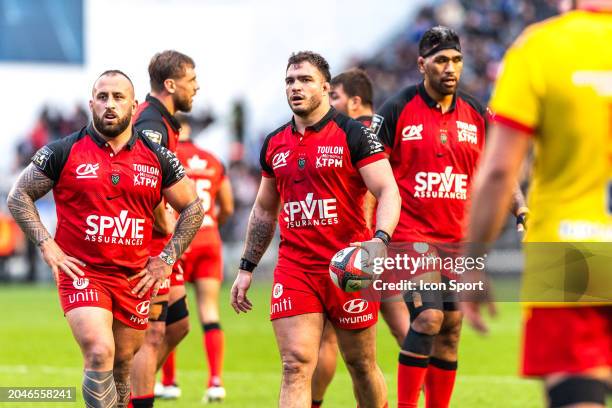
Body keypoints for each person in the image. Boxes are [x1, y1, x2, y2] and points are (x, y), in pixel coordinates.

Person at [6, 70, 203, 408]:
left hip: (134, 278)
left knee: (122, 367)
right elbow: (18, 195)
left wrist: (166, 259)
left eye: (118, 97)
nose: (110, 104)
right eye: (102, 97)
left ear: (134, 104)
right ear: (90, 104)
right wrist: (47, 245)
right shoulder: (63, 151)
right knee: (99, 353)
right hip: (82, 273)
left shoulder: (157, 157)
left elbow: (193, 208)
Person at [230, 51, 401, 408]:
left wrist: (379, 241)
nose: (295, 87)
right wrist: (246, 267)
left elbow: (388, 189)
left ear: (325, 87)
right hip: (296, 268)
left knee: (360, 363)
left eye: (305, 80)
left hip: (349, 267)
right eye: (290, 81)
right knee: (295, 365)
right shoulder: (274, 142)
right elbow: (264, 209)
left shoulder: (355, 134)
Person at [464, 1, 612, 407]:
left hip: (572, 251)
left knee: (579, 392)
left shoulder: (541, 48)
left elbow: (498, 171)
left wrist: (472, 262)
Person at [374, 26, 527, 408]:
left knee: (452, 329)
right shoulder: (395, 110)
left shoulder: (477, 113)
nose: (450, 68)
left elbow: (501, 170)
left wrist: (521, 209)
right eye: (441, 60)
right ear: (421, 64)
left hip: (459, 241)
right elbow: (371, 174)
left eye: (456, 60)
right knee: (428, 318)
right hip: (411, 237)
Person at [309, 68, 410, 408]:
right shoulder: (386, 132)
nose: (329, 104)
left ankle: (314, 402)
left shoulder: (355, 135)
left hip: (358, 250)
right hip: (388, 243)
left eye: (333, 97)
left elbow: (376, 193)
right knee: (404, 331)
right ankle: (418, 397)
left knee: (330, 341)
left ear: (354, 102)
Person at [130, 50, 199, 408]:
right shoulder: (151, 124)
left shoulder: (162, 121)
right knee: (153, 333)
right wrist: (164, 221)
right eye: (191, 80)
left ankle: (124, 387)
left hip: (161, 243)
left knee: (178, 325)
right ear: (171, 85)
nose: (197, 87)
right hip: (149, 244)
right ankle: (132, 395)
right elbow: (146, 178)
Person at [156, 115, 234, 402]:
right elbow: (227, 205)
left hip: (179, 240)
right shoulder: (213, 160)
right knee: (209, 310)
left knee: (169, 310)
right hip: (210, 240)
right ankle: (215, 381)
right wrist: (212, 225)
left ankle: (169, 381)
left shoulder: (169, 156)